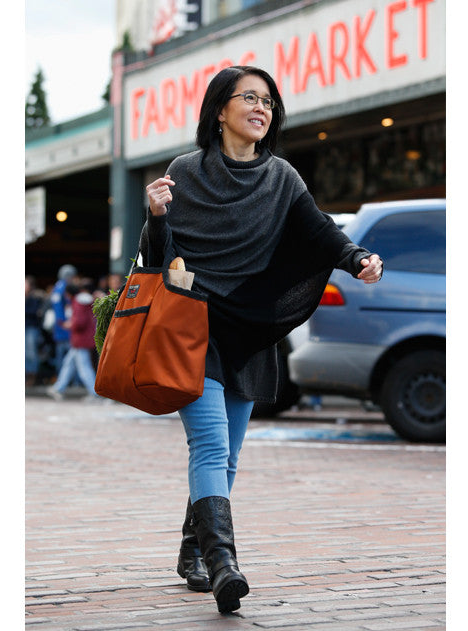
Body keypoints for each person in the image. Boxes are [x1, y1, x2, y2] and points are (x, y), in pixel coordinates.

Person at [139, 65, 383, 614]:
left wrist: (356, 258)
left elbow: (319, 230)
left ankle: (191, 551)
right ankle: (224, 562)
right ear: (219, 109)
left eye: (268, 101)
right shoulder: (184, 171)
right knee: (209, 444)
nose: (261, 108)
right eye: (247, 97)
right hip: (192, 326)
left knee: (227, 457)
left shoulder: (282, 177)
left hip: (250, 332)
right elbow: (156, 259)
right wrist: (156, 215)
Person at [46, 283, 100, 401]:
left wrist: (69, 325)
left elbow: (79, 322)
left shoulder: (77, 302)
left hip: (80, 340)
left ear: (69, 293)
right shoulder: (84, 301)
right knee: (68, 364)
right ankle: (58, 388)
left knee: (84, 367)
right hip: (82, 339)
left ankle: (94, 392)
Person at [48, 264, 78, 375]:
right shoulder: (63, 287)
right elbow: (59, 307)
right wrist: (62, 322)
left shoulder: (58, 286)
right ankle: (66, 380)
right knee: (67, 355)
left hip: (61, 326)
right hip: (65, 326)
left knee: (63, 355)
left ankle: (62, 379)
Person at [24, 275, 48, 388]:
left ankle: (32, 377)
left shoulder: (35, 298)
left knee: (31, 353)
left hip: (31, 328)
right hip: (26, 327)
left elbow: (35, 312)